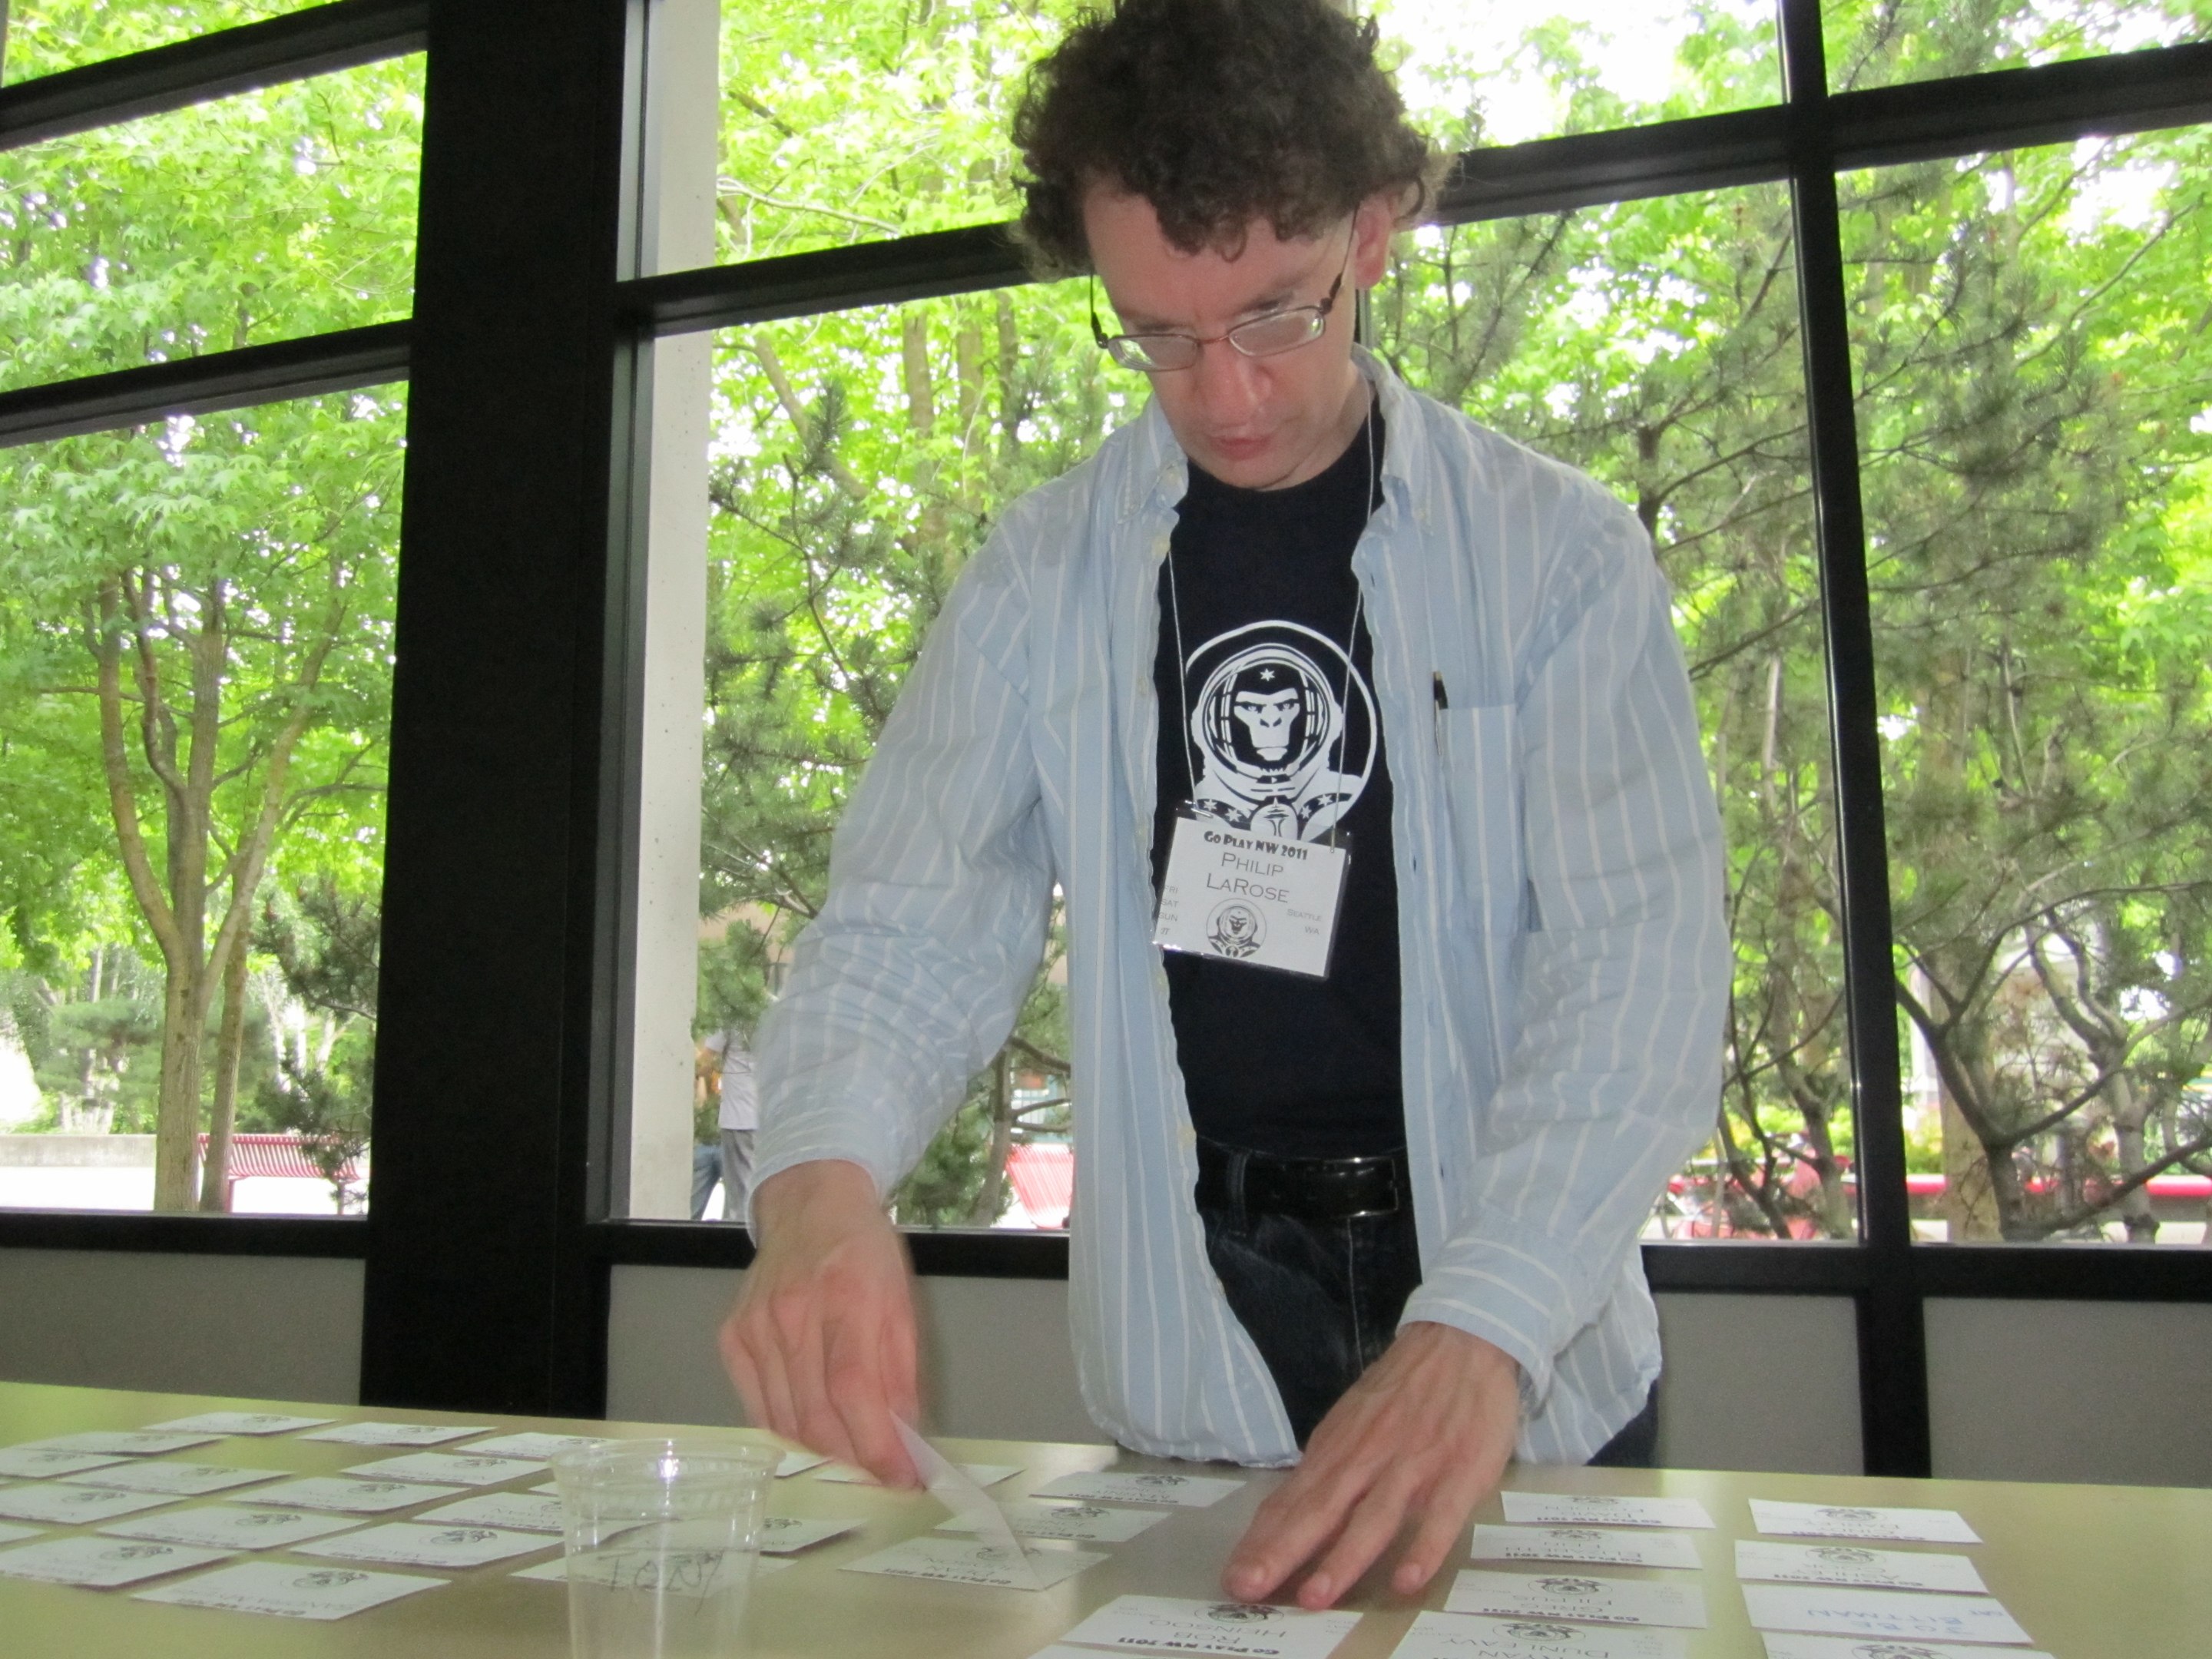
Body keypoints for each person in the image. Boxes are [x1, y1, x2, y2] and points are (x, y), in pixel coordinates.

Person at [719, 0, 1727, 1611]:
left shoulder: (1557, 557)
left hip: (1518, 1321)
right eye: (1164, 337)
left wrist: (1482, 1322)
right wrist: (820, 1178)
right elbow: (915, 921)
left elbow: (1638, 970)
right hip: (1199, 1325)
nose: (1232, 394)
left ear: (1375, 236)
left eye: (1275, 316)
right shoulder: (1039, 577)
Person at [700, 1028, 758, 1221]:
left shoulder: (733, 1015)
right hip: (766, 1119)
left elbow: (704, 1061)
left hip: (738, 1118)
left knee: (739, 1198)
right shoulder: (774, 1010)